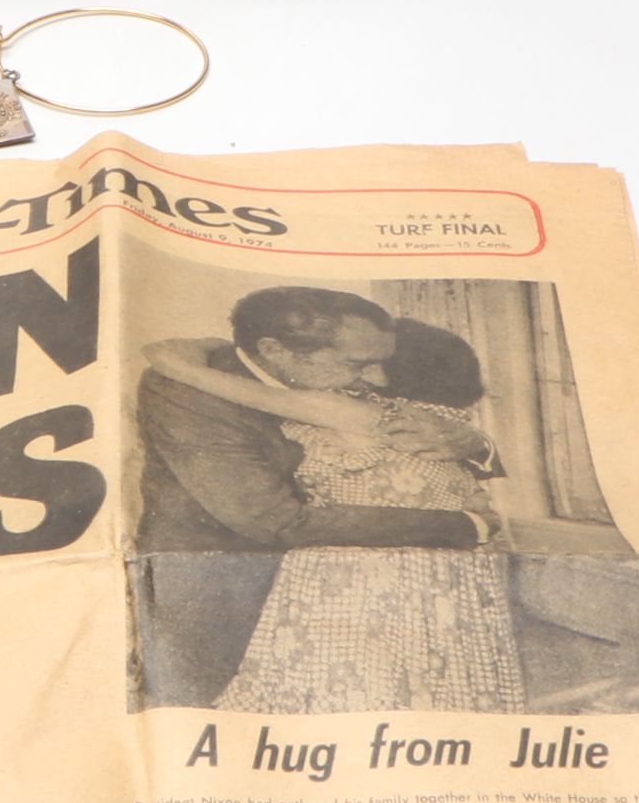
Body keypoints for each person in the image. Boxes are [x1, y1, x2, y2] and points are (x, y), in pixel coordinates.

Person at [132, 288, 495, 710]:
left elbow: (436, 421)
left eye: (382, 362)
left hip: (348, 581)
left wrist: (473, 443)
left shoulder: (338, 371)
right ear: (276, 350)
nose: (378, 380)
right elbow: (276, 520)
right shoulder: (189, 394)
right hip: (225, 584)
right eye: (358, 365)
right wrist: (467, 525)